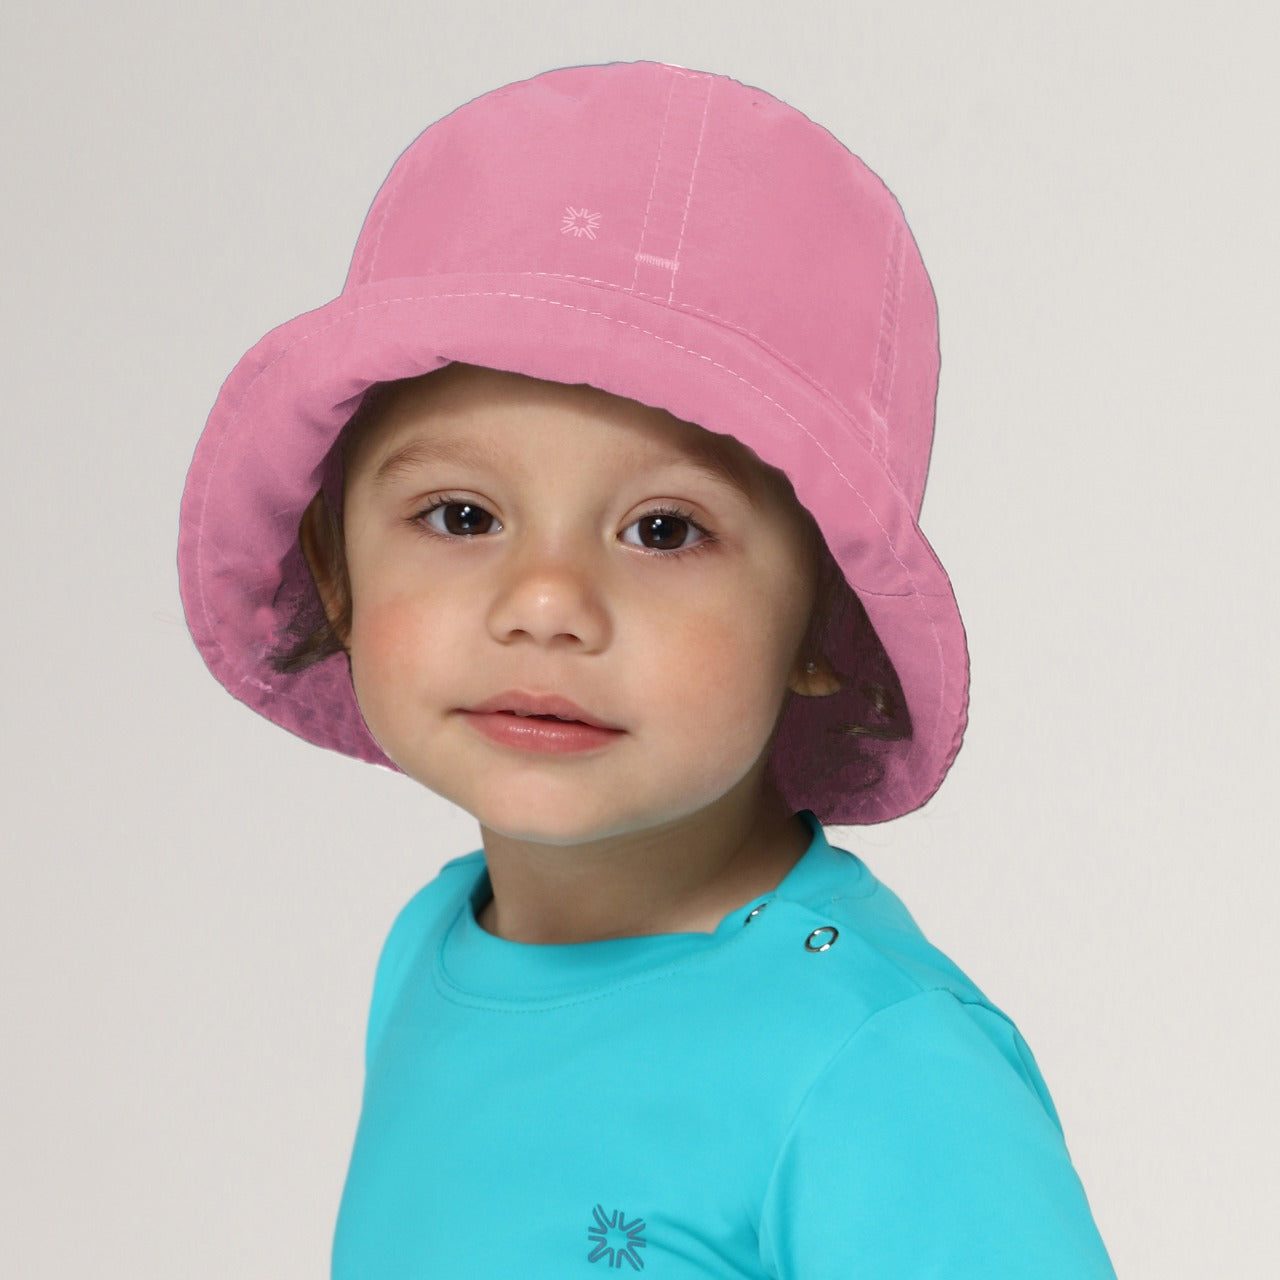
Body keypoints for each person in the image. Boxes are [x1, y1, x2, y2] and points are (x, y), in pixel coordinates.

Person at [179, 60, 1116, 1277]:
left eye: (664, 530)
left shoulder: (875, 1068)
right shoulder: (432, 946)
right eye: (462, 515)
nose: (545, 603)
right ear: (336, 562)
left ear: (826, 622)